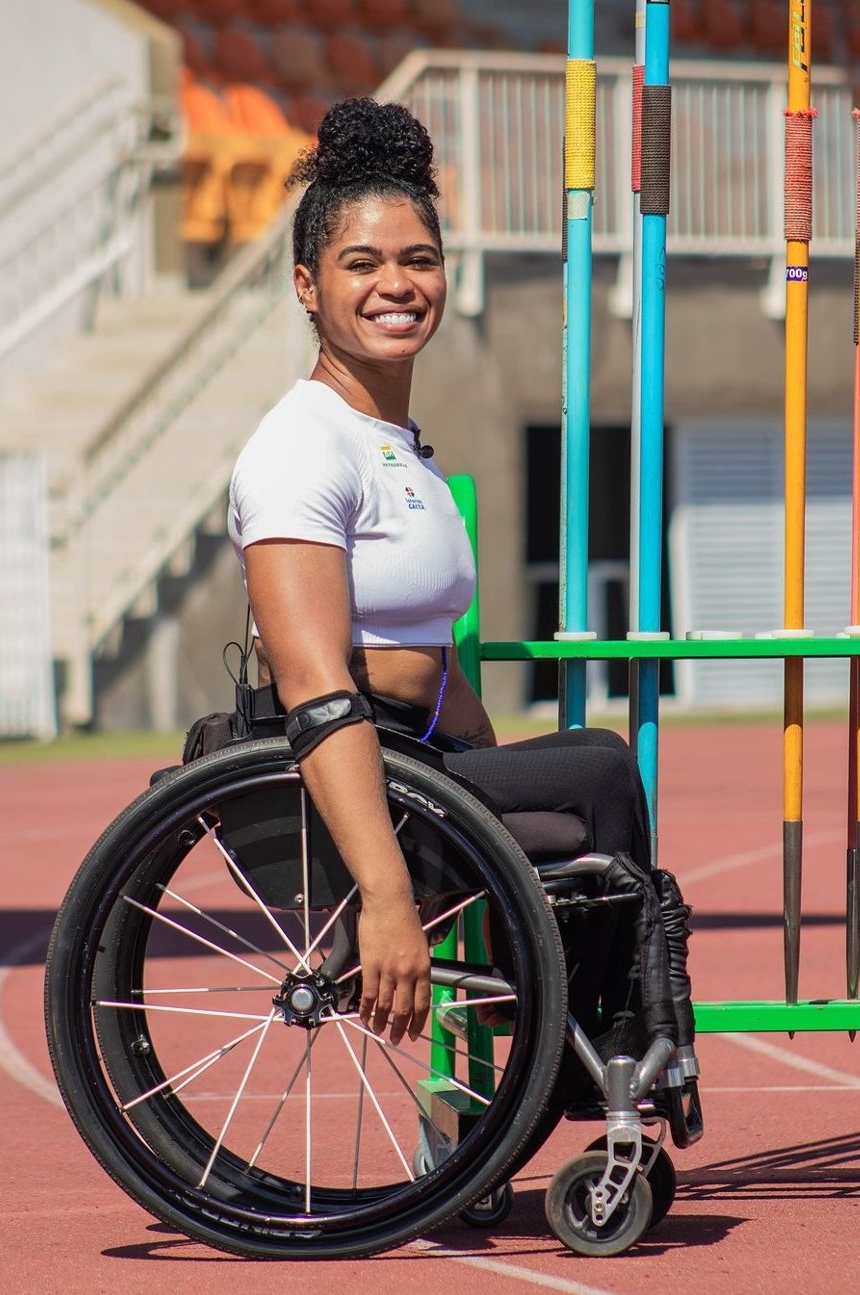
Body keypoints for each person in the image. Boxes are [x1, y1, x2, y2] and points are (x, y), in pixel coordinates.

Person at [228, 98, 657, 1054]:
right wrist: (384, 900)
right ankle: (595, 1048)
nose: (397, 284)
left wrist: (498, 778)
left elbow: (441, 672)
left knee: (584, 762)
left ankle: (570, 1044)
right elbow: (314, 689)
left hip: (426, 761)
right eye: (362, 264)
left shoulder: (398, 448)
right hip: (363, 772)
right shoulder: (302, 448)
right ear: (307, 285)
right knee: (600, 770)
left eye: (418, 259)